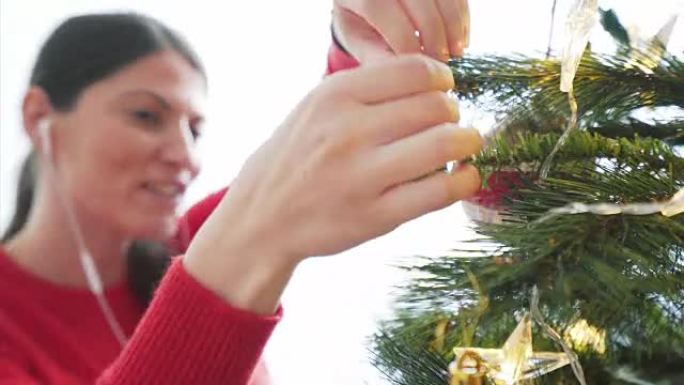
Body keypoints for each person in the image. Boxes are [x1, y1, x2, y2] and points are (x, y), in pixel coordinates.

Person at [0, 1, 482, 384]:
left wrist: (365, 37)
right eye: (146, 116)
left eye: (194, 130)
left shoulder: (187, 249)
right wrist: (254, 245)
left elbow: (331, 152)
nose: (185, 157)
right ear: (40, 117)